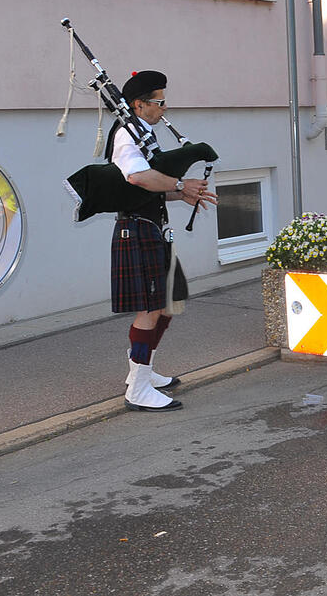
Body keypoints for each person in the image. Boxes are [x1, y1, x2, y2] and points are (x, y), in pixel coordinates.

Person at [106, 70, 218, 412]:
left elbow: (144, 187)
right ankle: (137, 388)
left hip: (152, 227)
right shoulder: (126, 135)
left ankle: (143, 371)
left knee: (168, 302)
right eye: (159, 101)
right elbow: (137, 178)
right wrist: (180, 186)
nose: (164, 107)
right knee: (151, 308)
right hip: (137, 230)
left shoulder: (143, 132)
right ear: (139, 104)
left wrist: (179, 196)